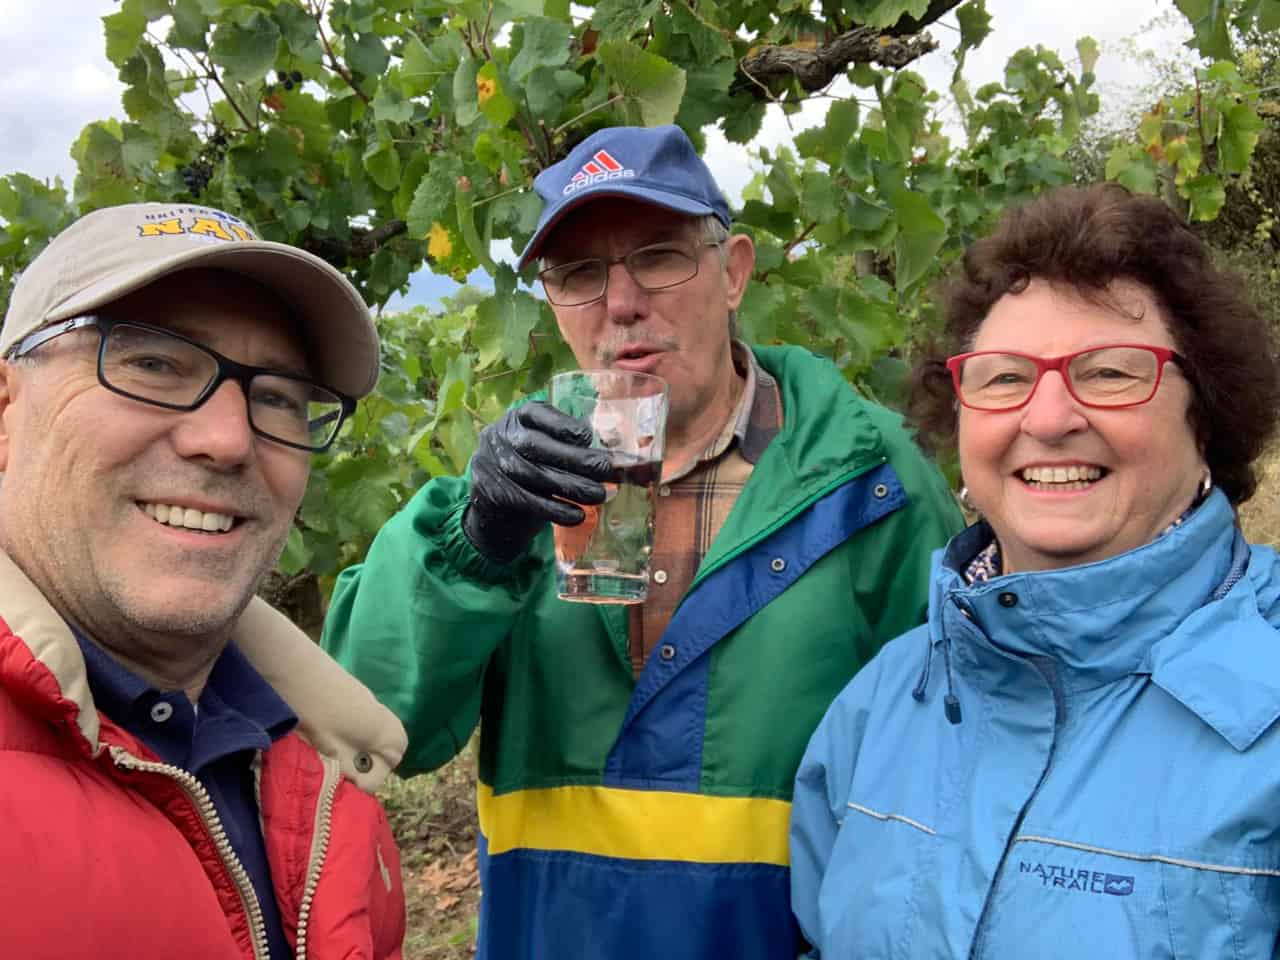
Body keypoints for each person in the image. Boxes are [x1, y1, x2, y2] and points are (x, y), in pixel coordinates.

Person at [322, 124, 962, 959]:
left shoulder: (872, 483)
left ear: (733, 272)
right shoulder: (513, 496)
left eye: (659, 257)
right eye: (579, 273)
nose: (621, 302)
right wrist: (477, 539)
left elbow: (950, 783)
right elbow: (362, 731)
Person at [790, 182, 1280, 957]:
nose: (1048, 419)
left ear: (1206, 418)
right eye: (1005, 377)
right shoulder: (881, 702)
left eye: (1111, 373)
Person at [0, 202, 409, 959]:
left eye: (277, 396)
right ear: (4, 412)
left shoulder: (327, 776)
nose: (227, 440)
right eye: (153, 364)